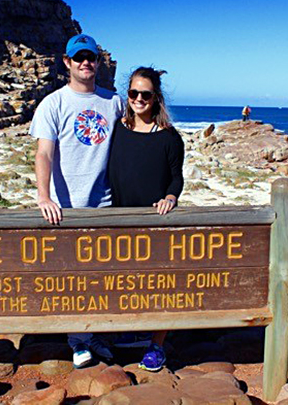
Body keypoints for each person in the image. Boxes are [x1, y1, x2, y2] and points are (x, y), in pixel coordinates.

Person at [29, 33, 123, 368]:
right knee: (70, 276)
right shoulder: (53, 104)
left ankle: (92, 333)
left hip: (105, 205)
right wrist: (44, 196)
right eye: (79, 57)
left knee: (100, 275)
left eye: (91, 57)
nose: (86, 63)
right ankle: (77, 340)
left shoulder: (114, 102)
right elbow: (43, 153)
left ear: (98, 62)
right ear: (67, 62)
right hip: (65, 207)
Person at [108, 67, 185, 371]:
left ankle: (157, 345)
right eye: (133, 93)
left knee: (161, 283)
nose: (139, 99)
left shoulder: (169, 138)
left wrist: (170, 198)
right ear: (127, 96)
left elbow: (176, 178)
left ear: (156, 98)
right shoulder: (117, 129)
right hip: (118, 217)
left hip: (156, 222)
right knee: (126, 281)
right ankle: (130, 330)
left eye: (146, 94)